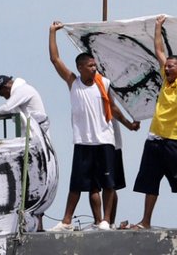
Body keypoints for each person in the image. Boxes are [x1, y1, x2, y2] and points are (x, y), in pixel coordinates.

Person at [48, 21, 139, 232]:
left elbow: (113, 109)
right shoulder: (74, 83)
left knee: (108, 183)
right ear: (80, 67)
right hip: (83, 141)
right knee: (77, 184)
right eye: (90, 66)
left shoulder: (103, 83)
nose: (94, 68)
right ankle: (67, 221)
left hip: (104, 141)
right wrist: (52, 33)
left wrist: (128, 124)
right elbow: (55, 59)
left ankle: (106, 220)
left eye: (95, 65)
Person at [132, 15, 177, 229]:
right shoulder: (166, 79)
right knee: (150, 181)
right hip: (155, 138)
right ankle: (146, 221)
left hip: (174, 141)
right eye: (167, 67)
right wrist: (157, 28)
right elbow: (159, 51)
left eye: (172, 67)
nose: (168, 68)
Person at [0, 74, 55, 231]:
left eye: (2, 94)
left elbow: (7, 107)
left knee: (36, 183)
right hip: (31, 145)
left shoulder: (23, 90)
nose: (3, 97)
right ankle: (33, 224)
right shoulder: (20, 92)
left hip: (35, 145)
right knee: (31, 183)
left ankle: (37, 225)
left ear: (5, 88)